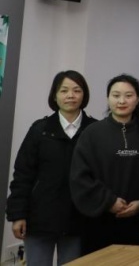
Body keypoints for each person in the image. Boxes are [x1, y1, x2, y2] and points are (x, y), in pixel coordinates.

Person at [6, 71, 97, 266]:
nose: (70, 95)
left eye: (76, 90)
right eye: (64, 91)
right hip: (40, 218)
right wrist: (17, 214)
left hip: (79, 219)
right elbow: (23, 174)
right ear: (54, 96)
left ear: (84, 95)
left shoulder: (95, 130)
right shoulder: (40, 129)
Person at [69, 74, 139, 254]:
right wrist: (109, 201)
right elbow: (79, 176)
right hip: (97, 221)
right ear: (107, 98)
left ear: (137, 99)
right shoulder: (92, 133)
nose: (122, 101)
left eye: (128, 95)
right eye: (116, 95)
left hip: (137, 223)